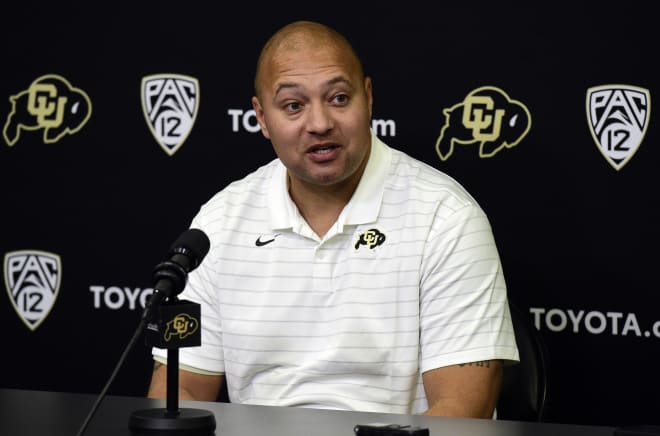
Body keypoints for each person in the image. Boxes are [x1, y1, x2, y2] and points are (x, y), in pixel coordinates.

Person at [148, 19, 519, 418]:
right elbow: (180, 388)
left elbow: (463, 409)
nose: (321, 123)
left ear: (369, 97)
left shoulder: (446, 218)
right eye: (293, 105)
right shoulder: (220, 221)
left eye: (339, 98)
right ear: (261, 117)